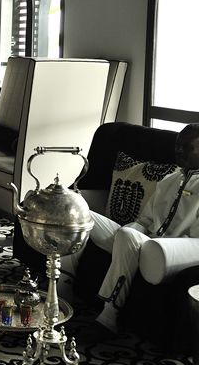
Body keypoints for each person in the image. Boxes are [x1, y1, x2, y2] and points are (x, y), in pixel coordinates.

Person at [62, 123, 199, 333]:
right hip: (139, 241)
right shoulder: (169, 179)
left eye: (186, 147)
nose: (178, 151)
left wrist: (134, 236)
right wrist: (130, 233)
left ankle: (108, 318)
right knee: (78, 212)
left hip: (168, 254)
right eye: (177, 145)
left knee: (128, 235)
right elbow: (144, 220)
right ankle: (62, 291)